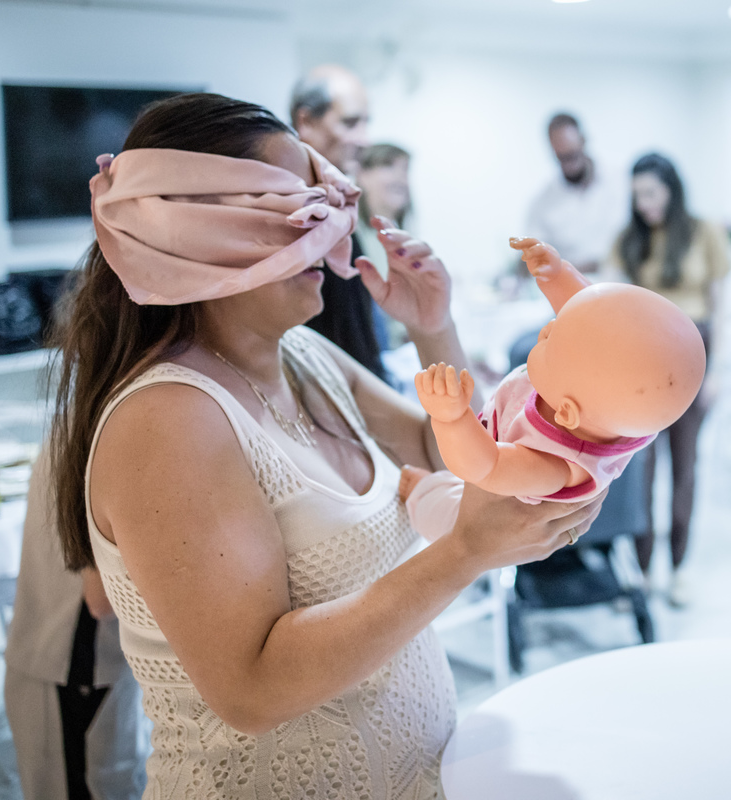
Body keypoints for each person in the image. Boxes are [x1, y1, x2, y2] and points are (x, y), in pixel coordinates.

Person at [48, 92, 602, 800]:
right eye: (295, 209)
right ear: (194, 231)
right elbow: (250, 688)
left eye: (327, 204)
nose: (333, 231)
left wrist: (434, 327)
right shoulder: (170, 419)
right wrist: (464, 553)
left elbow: (451, 460)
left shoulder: (303, 354)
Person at [406, 236, 705, 542]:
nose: (548, 328)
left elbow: (486, 466)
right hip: (491, 435)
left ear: (566, 411)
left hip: (485, 502)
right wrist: (557, 275)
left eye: (550, 342)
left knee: (439, 509)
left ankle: (416, 492)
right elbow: (589, 319)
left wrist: (452, 419)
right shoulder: (608, 402)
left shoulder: (558, 463)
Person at [609, 152, 730, 607]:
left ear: (672, 190)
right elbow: (614, 300)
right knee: (641, 468)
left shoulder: (704, 234)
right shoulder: (630, 239)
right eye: (637, 195)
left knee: (685, 466)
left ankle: (679, 568)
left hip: (694, 356)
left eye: (651, 193)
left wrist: (718, 370)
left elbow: (720, 309)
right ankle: (639, 572)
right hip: (644, 361)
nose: (644, 204)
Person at [4, 448, 148, 800]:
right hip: (69, 666)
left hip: (74, 658)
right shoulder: (106, 433)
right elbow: (100, 599)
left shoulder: (80, 421)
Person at [290, 64, 387, 381]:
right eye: (350, 123)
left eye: (365, 123)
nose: (364, 138)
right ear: (305, 121)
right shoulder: (298, 208)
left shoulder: (334, 200)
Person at [524, 113, 628, 275]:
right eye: (562, 158)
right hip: (572, 286)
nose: (569, 165)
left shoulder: (620, 181)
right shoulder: (542, 203)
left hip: (622, 280)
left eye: (572, 155)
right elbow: (533, 256)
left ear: (583, 141)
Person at [356, 143, 413, 351]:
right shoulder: (352, 235)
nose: (401, 178)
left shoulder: (402, 234)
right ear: (362, 174)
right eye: (389, 166)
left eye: (405, 170)